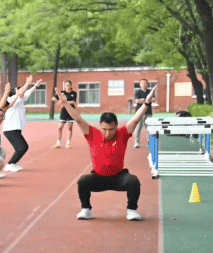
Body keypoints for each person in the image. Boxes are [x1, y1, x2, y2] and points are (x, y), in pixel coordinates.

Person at [55, 86, 152, 221]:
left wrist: (146, 103)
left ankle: (131, 210)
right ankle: (86, 210)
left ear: (116, 126)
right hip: (99, 178)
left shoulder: (122, 134)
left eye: (111, 129)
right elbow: (78, 119)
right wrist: (65, 103)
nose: (107, 133)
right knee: (83, 181)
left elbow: (136, 119)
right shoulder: (93, 134)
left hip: (119, 178)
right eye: (104, 129)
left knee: (133, 181)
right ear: (100, 126)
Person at [2, 75, 38, 172]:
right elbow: (22, 92)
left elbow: (28, 92)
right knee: (23, 147)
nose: (23, 91)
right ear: (15, 92)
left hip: (16, 129)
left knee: (21, 147)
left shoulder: (21, 100)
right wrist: (28, 82)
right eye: (20, 89)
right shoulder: (11, 99)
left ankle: (12, 163)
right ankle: (10, 164)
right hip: (10, 129)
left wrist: (36, 85)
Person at [52, 80, 78, 149]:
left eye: (68, 85)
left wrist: (64, 101)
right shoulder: (62, 93)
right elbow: (53, 98)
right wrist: (58, 102)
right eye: (66, 85)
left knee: (70, 127)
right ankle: (58, 143)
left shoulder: (74, 93)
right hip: (64, 111)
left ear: (71, 86)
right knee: (60, 127)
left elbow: (73, 101)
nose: (67, 86)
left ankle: (68, 143)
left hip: (71, 111)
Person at [132, 78, 154, 148]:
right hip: (139, 113)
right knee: (138, 128)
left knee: (149, 128)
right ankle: (136, 142)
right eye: (142, 83)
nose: (143, 84)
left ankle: (149, 142)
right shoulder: (137, 92)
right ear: (140, 84)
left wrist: (143, 100)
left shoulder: (150, 92)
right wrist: (147, 100)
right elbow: (137, 101)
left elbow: (153, 99)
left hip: (148, 112)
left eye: (145, 83)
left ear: (147, 84)